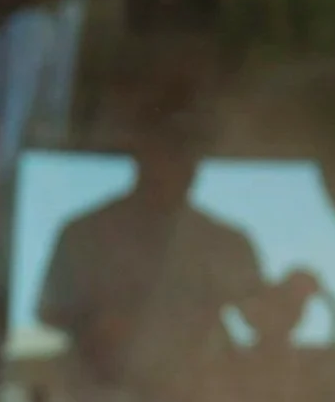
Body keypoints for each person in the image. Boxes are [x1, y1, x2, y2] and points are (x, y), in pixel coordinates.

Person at [35, 135, 317, 384]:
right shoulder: (85, 235)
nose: (176, 167)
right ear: (142, 157)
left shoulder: (223, 242)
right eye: (166, 153)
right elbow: (50, 310)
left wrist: (290, 300)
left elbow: (261, 317)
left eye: (186, 155)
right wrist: (99, 325)